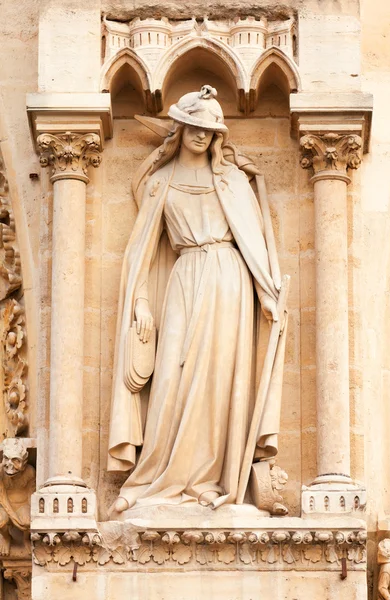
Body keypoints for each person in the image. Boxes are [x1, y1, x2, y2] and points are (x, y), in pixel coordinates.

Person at [107, 85, 287, 512]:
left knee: (219, 382)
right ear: (181, 126)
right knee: (169, 376)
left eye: (210, 129)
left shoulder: (231, 179)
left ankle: (207, 479)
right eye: (194, 126)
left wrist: (266, 292)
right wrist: (141, 304)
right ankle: (151, 478)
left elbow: (253, 240)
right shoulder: (159, 183)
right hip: (184, 277)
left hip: (229, 280)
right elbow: (141, 252)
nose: (202, 135)